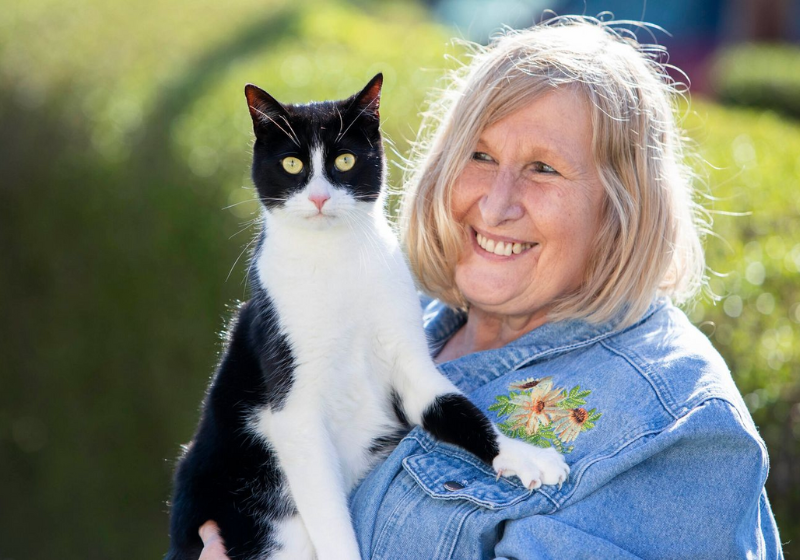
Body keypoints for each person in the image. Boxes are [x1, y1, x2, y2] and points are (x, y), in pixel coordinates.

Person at [196, 17, 783, 559]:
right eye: (480, 155)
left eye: (543, 169)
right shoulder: (416, 315)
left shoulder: (680, 430)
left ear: (624, 207)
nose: (496, 205)